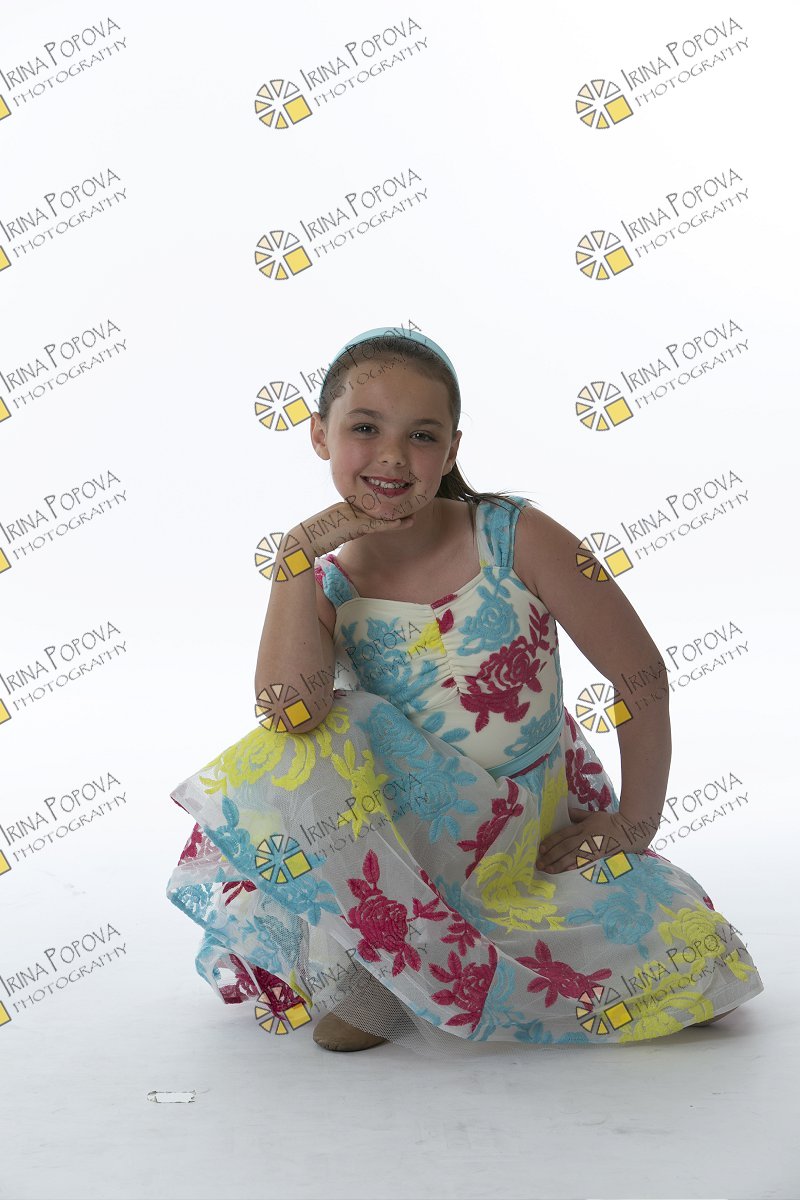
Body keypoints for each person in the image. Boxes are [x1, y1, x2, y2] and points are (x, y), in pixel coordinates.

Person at [166, 326, 764, 1056]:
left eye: (421, 436)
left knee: (704, 970)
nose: (392, 455)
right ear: (320, 436)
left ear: (451, 450)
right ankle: (389, 962)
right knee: (325, 729)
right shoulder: (327, 585)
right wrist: (294, 557)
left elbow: (639, 676)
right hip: (410, 848)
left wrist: (636, 821)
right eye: (364, 428)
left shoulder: (515, 537)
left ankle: (477, 950)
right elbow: (288, 714)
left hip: (526, 829)